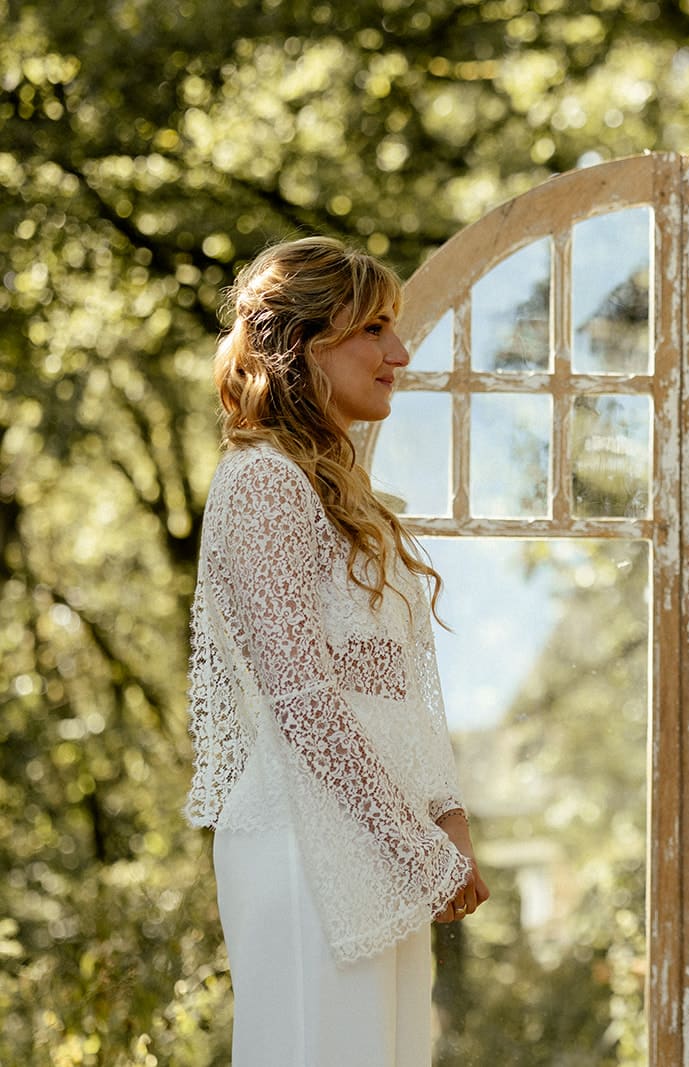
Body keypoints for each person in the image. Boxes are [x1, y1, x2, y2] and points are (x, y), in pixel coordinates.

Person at [184, 236, 489, 1066]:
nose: (399, 352)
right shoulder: (261, 484)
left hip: (378, 841)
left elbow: (401, 685)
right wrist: (416, 843)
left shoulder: (349, 496)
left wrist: (447, 821)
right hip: (299, 842)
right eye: (373, 330)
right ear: (304, 345)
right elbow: (302, 703)